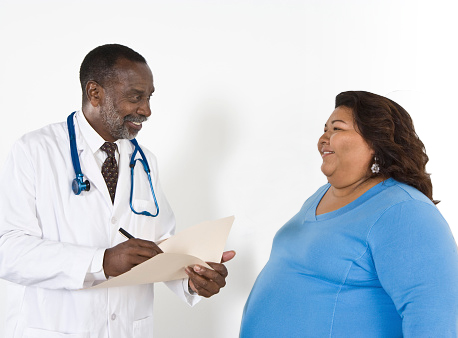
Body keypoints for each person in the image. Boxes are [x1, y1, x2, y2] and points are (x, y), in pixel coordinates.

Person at [0, 44, 235, 337]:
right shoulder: (34, 150)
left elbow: (159, 246)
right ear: (95, 93)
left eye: (149, 97)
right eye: (135, 97)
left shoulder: (145, 161)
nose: (146, 110)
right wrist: (102, 261)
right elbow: (8, 250)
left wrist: (192, 277)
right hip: (54, 327)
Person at [240, 91, 458, 337]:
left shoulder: (405, 211)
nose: (323, 138)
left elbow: (434, 317)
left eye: (337, 129)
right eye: (324, 129)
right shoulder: (320, 196)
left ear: (376, 142)